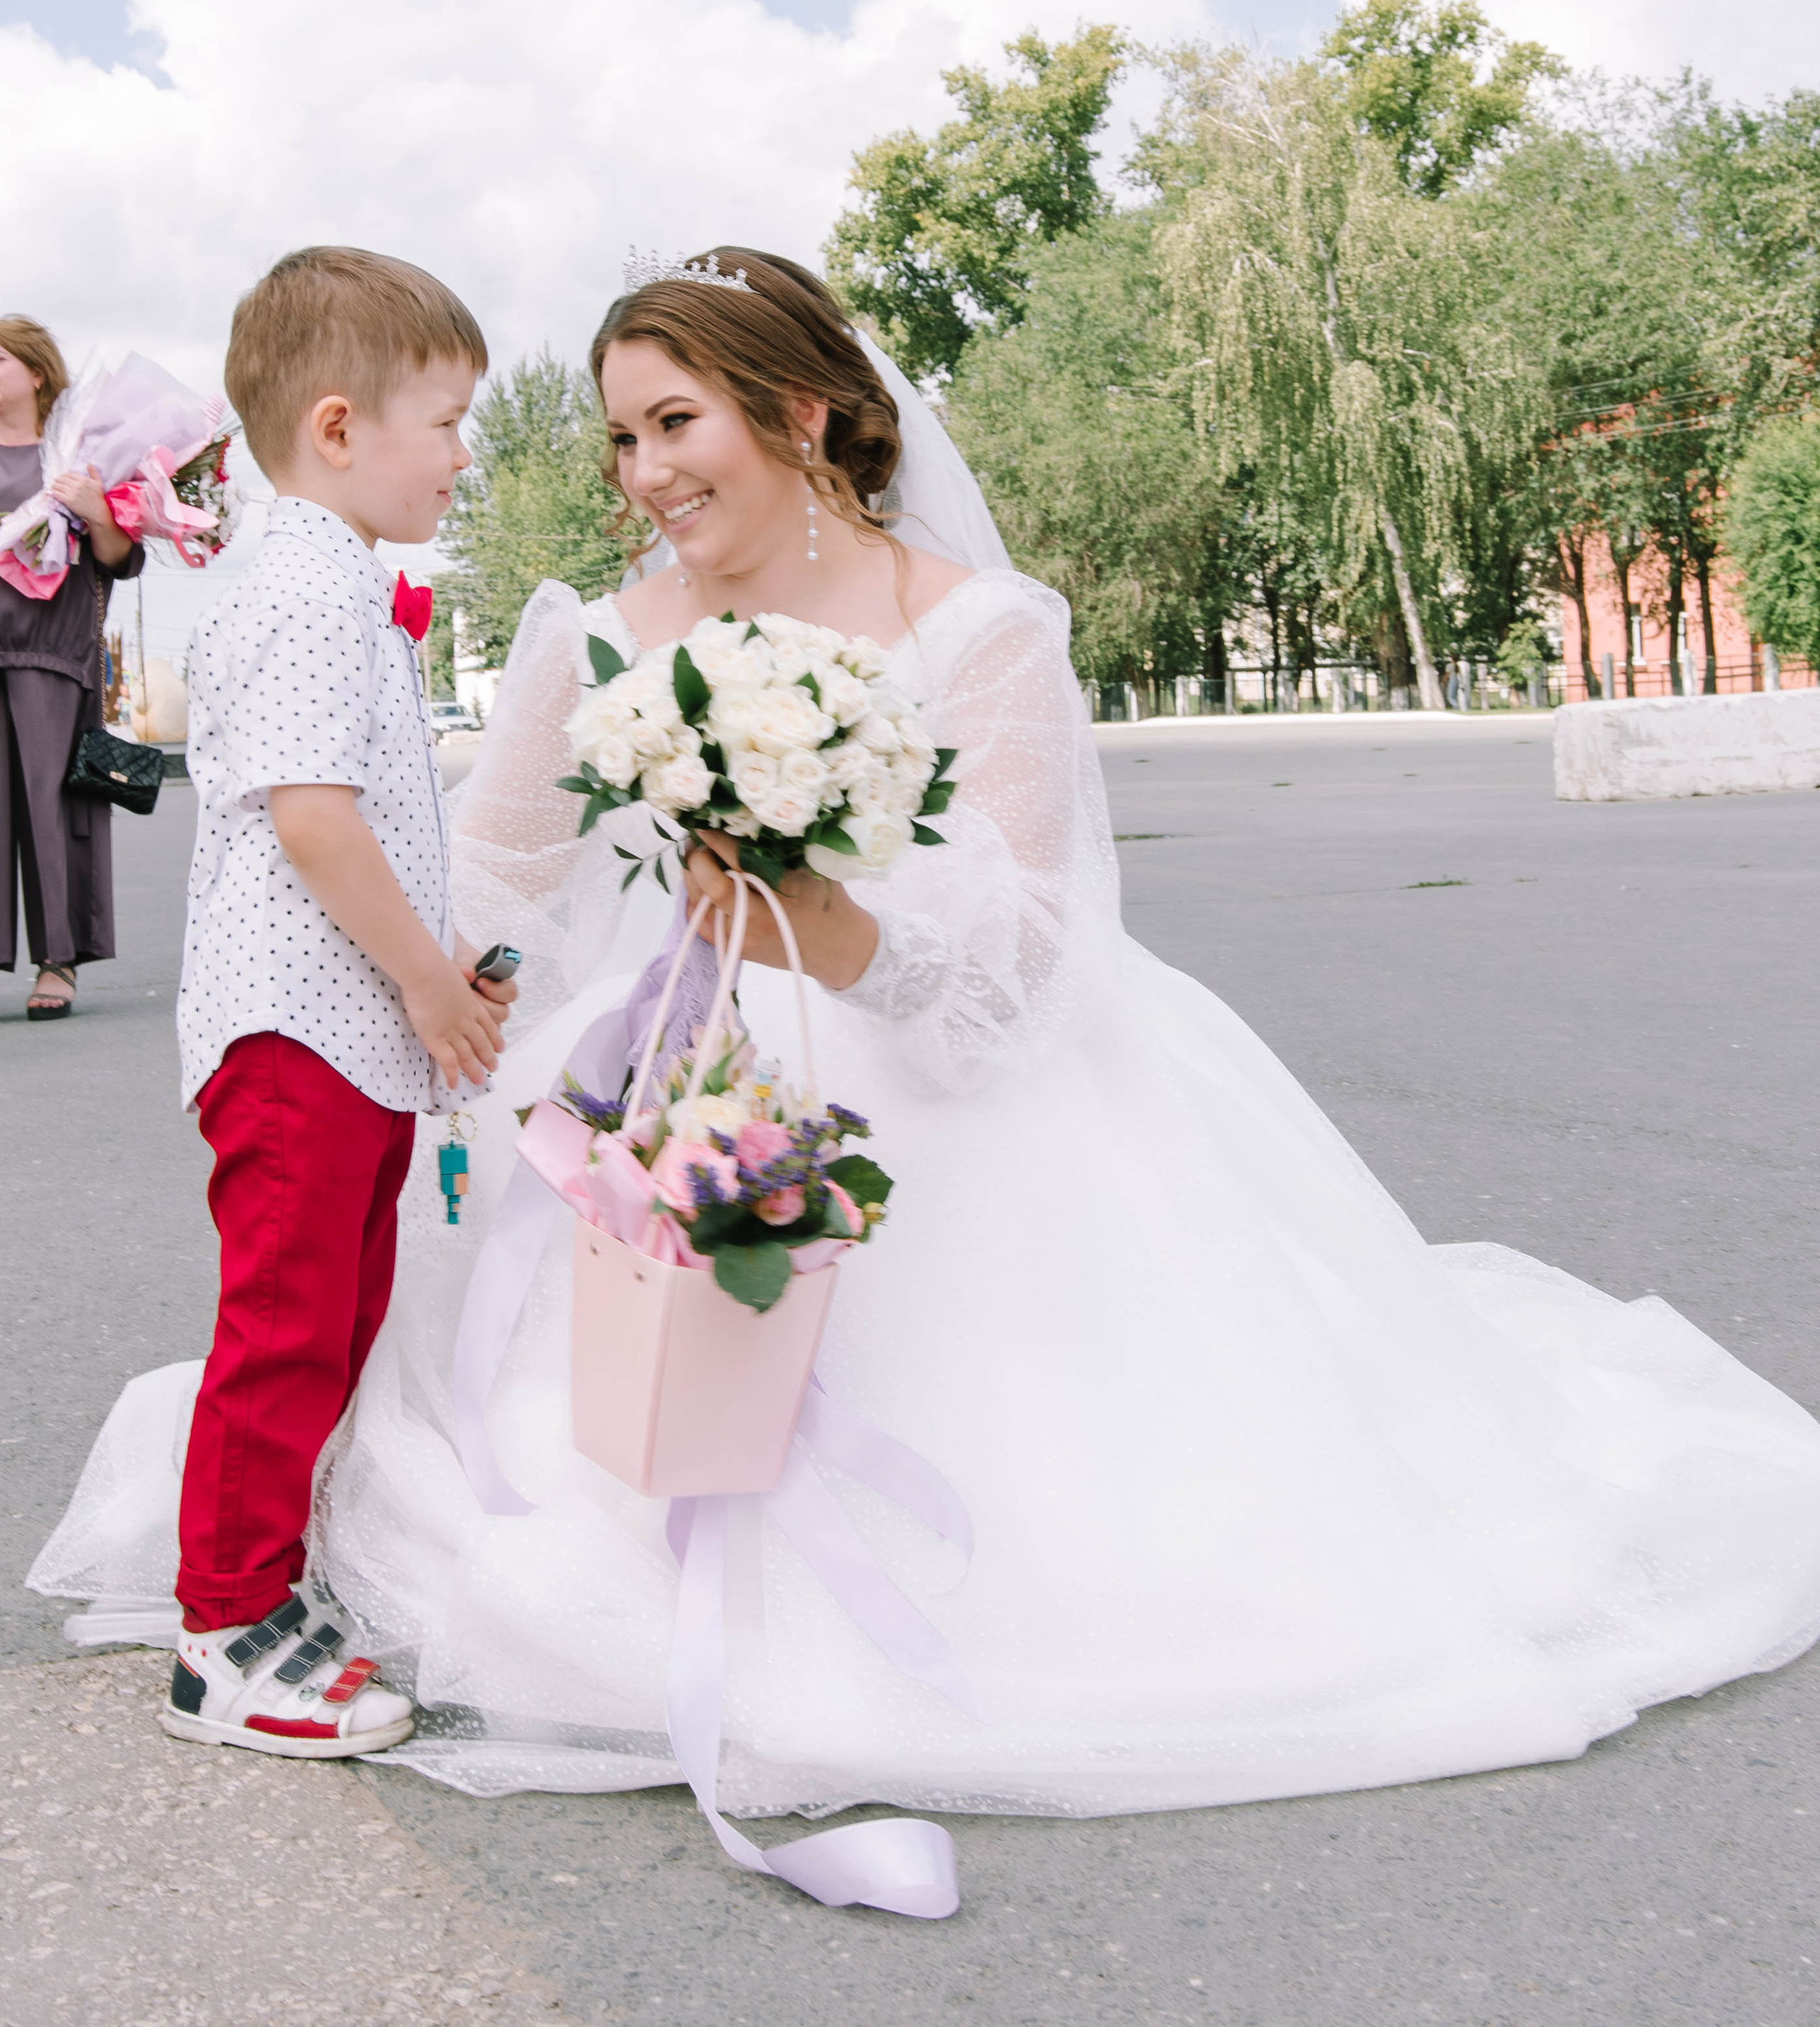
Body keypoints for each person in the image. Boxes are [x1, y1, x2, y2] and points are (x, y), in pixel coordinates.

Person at [36, 250, 1820, 1829]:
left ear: (803, 415)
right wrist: (462, 999)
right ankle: (264, 1574)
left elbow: (1031, 957)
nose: (645, 477)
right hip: (680, 1065)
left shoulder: (971, 629)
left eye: (676, 424)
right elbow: (495, 867)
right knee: (405, 1345)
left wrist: (832, 922)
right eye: (620, 441)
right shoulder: (588, 636)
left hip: (950, 1093)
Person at [154, 246, 518, 1760]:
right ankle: (222, 1635)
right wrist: (434, 989)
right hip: (295, 1024)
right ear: (337, 429)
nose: (461, 454)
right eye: (442, 421)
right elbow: (313, 820)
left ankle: (268, 1591)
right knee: (288, 1324)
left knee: (340, 1310)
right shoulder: (302, 585)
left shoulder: (331, 581)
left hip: (338, 1028)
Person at [0, 314, 144, 1021]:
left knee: (53, 809)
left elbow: (122, 558)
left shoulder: (78, 456)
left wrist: (98, 512)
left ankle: (58, 959)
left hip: (52, 655)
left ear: (34, 372)